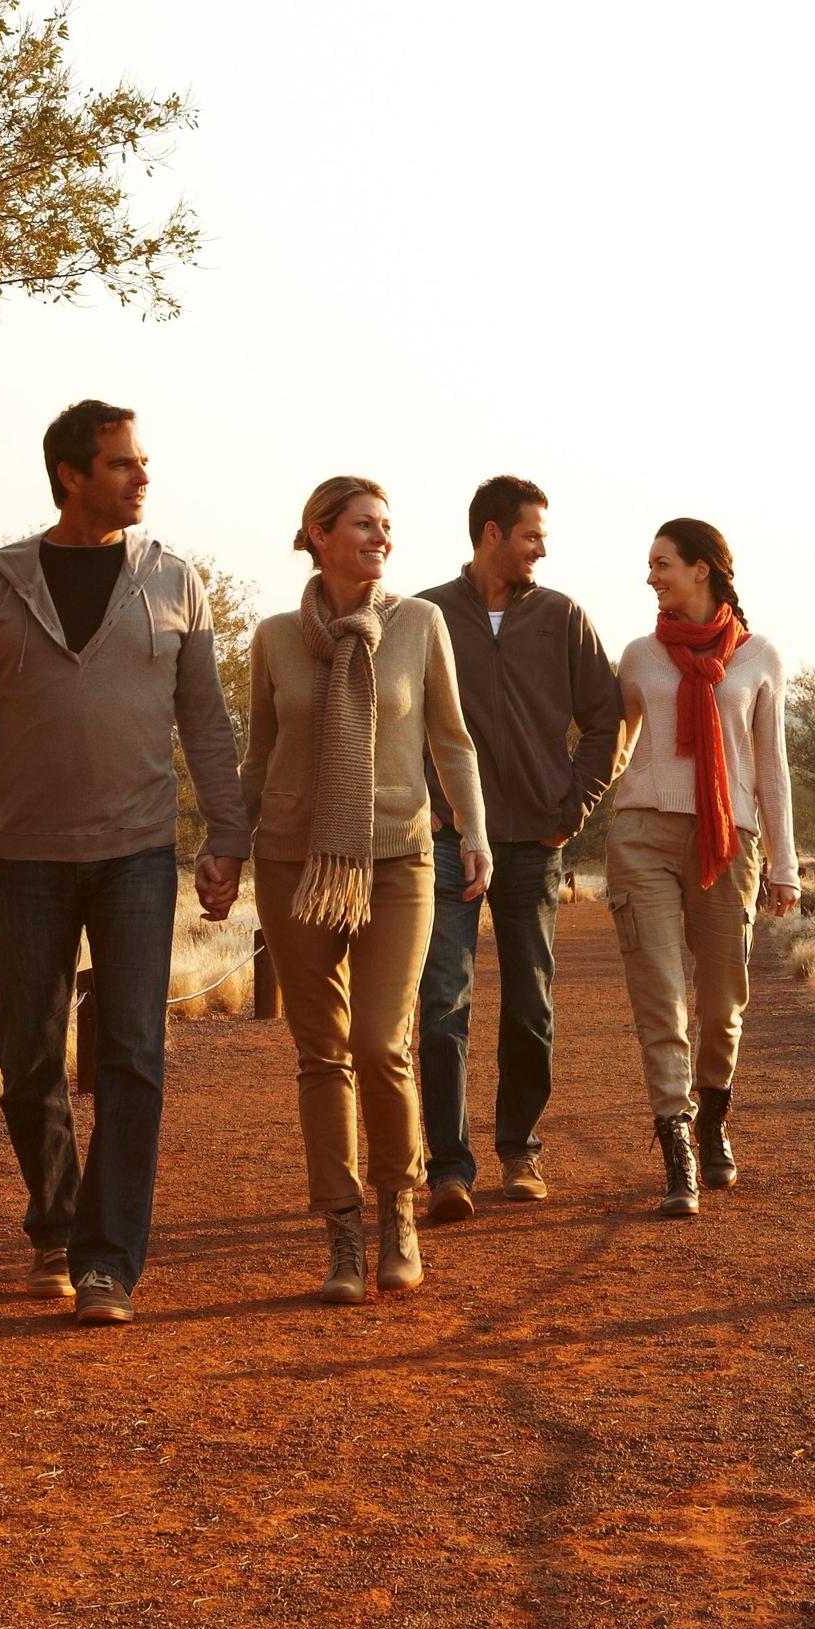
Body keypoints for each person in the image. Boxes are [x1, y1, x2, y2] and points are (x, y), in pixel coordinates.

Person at [0, 400, 249, 1329]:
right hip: (25, 858)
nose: (143, 477)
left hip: (137, 854)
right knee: (27, 1054)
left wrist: (228, 836)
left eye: (142, 462)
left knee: (134, 1053)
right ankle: (56, 1222)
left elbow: (207, 721)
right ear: (72, 474)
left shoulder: (174, 580)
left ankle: (107, 1261)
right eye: (123, 463)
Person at [218, 477, 492, 1306]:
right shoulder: (274, 637)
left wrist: (473, 832)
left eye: (387, 527)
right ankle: (342, 1231)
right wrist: (224, 845)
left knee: (380, 1043)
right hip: (294, 863)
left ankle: (399, 1210)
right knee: (321, 1052)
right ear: (318, 533)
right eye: (365, 525)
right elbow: (259, 756)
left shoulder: (419, 624)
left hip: (400, 858)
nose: (381, 538)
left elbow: (452, 740)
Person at [410, 475, 622, 1222]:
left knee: (531, 1002)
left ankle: (520, 1149)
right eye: (532, 535)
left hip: (534, 838)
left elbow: (606, 718)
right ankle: (449, 1168)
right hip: (447, 838)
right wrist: (429, 807)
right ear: (491, 533)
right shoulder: (426, 614)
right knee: (443, 1000)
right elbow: (396, 720)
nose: (542, 550)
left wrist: (573, 806)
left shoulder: (562, 617)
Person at [603, 517, 798, 1219]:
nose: (651, 576)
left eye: (662, 564)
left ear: (701, 570)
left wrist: (785, 863)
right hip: (643, 836)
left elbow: (771, 765)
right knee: (661, 1000)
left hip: (729, 841)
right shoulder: (638, 656)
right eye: (650, 564)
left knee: (721, 1006)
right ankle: (676, 1142)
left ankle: (713, 1114)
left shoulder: (759, 657)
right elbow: (613, 747)